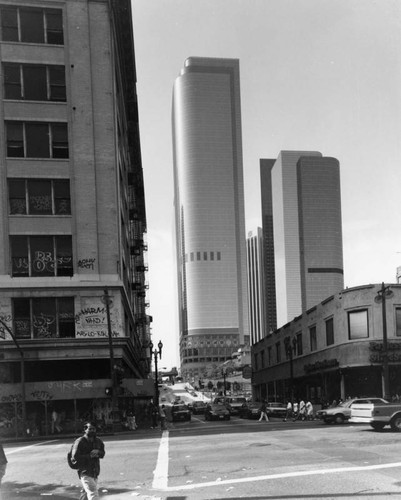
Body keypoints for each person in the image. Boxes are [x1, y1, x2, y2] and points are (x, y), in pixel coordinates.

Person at [71, 422, 105, 500]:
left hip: (95, 471)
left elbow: (102, 453)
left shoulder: (98, 441)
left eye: (93, 429)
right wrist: (89, 456)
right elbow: (75, 457)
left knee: (87, 493)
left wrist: (98, 452)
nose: (92, 431)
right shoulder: (80, 441)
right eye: (90, 429)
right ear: (85, 429)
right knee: (93, 492)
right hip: (85, 471)